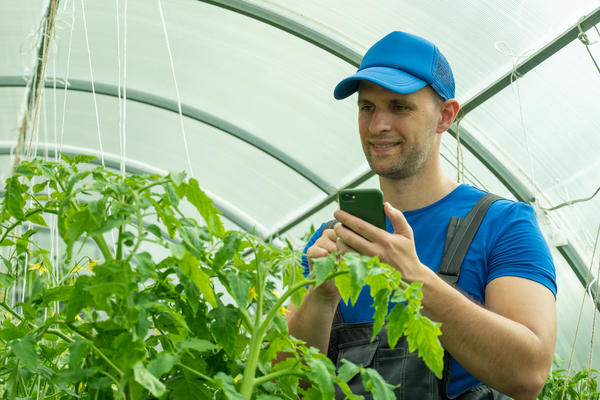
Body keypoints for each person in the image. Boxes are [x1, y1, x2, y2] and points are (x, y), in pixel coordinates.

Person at [286, 31, 557, 400]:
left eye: (399, 107)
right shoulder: (334, 238)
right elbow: (290, 382)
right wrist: (320, 299)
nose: (378, 125)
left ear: (445, 116)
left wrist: (413, 278)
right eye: (367, 107)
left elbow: (528, 374)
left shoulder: (503, 225)